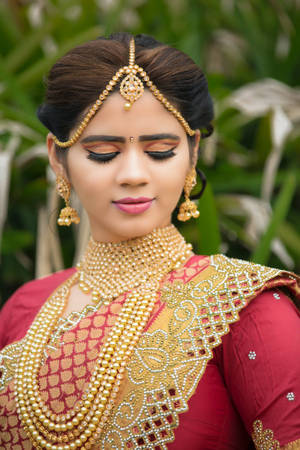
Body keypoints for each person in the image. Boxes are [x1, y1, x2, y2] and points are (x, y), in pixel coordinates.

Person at [0, 32, 299, 450]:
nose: (134, 174)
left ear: (192, 153)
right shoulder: (23, 310)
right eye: (104, 152)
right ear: (58, 157)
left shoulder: (243, 307)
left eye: (160, 151)